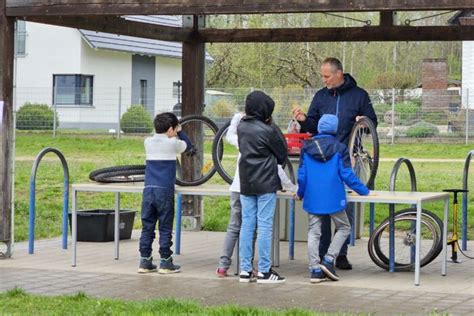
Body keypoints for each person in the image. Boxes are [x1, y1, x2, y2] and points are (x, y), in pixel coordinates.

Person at [292, 57, 377, 270]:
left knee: (344, 207)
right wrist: (303, 120)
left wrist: (363, 122)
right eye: (323, 76)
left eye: (327, 76)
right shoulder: (321, 96)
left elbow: (372, 123)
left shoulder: (360, 95)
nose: (324, 80)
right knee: (323, 207)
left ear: (339, 73)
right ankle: (322, 255)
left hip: (348, 156)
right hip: (323, 157)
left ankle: (340, 254)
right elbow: (312, 127)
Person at [216, 112, 297, 278]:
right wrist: (293, 188)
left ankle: (225, 266)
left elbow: (230, 135)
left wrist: (236, 118)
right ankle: (258, 268)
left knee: (237, 227)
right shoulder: (264, 143)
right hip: (258, 187)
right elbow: (279, 171)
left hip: (238, 187)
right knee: (259, 227)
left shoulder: (243, 142)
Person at [296, 114, 370, 283]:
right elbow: (347, 175)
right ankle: (329, 259)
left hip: (313, 197)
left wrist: (300, 193)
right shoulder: (340, 148)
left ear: (319, 127)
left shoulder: (306, 147)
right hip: (334, 197)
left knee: (314, 233)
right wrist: (364, 191)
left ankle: (315, 269)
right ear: (335, 129)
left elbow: (302, 176)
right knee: (344, 227)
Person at [237, 91, 288, 284]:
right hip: (266, 181)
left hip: (246, 180)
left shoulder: (242, 126)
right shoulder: (268, 130)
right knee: (265, 225)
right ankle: (265, 271)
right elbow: (282, 153)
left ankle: (245, 270)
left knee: (247, 224)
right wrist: (272, 124)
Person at [137, 112, 193, 274]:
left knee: (147, 227)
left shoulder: (147, 142)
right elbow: (188, 145)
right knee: (165, 227)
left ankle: (145, 261)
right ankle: (165, 262)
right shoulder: (173, 143)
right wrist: (181, 131)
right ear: (170, 129)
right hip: (164, 191)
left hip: (148, 190)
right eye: (174, 129)